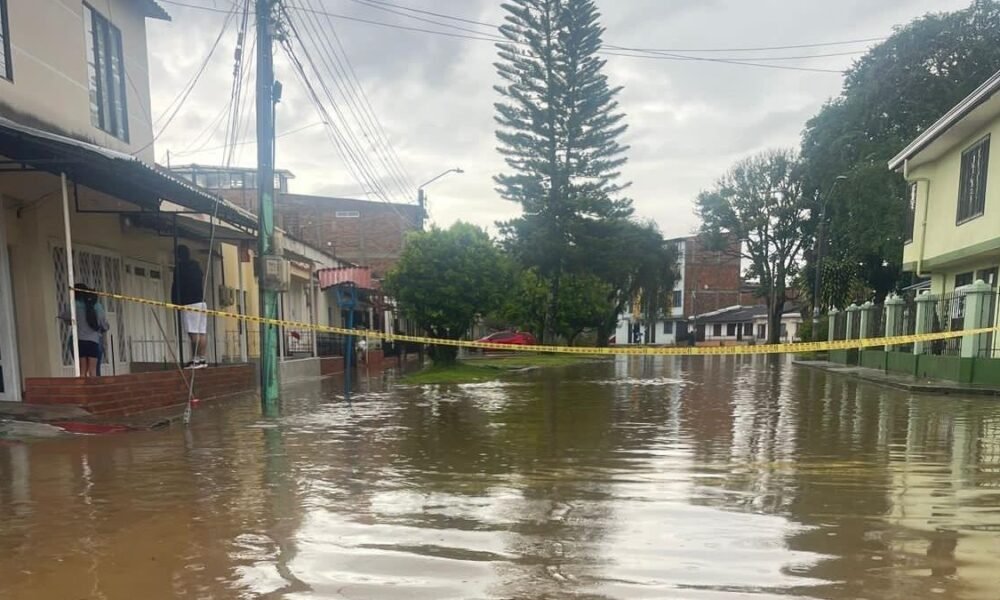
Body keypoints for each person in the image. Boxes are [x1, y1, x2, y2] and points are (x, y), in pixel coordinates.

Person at [59, 284, 109, 378]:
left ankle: (82, 386)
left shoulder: (74, 305)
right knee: (93, 371)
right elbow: (104, 325)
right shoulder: (97, 306)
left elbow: (63, 316)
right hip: (93, 341)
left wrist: (70, 322)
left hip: (80, 340)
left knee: (82, 371)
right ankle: (93, 387)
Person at [171, 244, 208, 369]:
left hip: (189, 303)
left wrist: (175, 302)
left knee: (193, 332)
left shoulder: (180, 268)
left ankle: (195, 360)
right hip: (201, 302)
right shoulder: (196, 266)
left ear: (178, 256)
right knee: (202, 332)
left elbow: (176, 286)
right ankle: (202, 359)